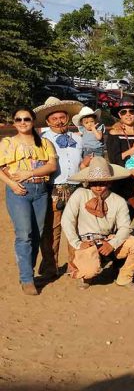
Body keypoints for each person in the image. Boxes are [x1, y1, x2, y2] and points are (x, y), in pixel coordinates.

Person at [61, 157, 134, 290]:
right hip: (87, 243)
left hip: (108, 240)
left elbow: (124, 227)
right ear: (89, 183)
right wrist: (78, 243)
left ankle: (125, 277)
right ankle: (86, 275)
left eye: (102, 183)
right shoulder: (80, 194)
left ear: (109, 183)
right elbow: (67, 220)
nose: (98, 187)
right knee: (89, 270)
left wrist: (112, 244)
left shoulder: (118, 201)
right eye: (95, 183)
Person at [0, 108, 58, 295]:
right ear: (14, 122)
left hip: (40, 190)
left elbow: (51, 166)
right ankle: (27, 278)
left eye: (27, 119)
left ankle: (28, 272)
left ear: (33, 121)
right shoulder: (7, 143)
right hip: (19, 191)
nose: (23, 122)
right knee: (24, 234)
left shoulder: (45, 143)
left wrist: (30, 173)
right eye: (19, 119)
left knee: (38, 233)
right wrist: (12, 184)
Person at [35, 97, 84, 281]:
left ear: (68, 118)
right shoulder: (40, 141)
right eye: (54, 118)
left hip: (77, 189)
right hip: (53, 189)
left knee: (75, 230)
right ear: (47, 121)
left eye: (62, 117)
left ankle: (76, 267)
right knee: (51, 231)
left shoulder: (78, 138)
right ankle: (50, 267)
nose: (59, 121)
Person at [106, 96, 134, 205]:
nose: (128, 114)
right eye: (124, 112)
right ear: (119, 115)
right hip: (124, 179)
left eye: (131, 111)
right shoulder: (114, 133)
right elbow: (114, 159)